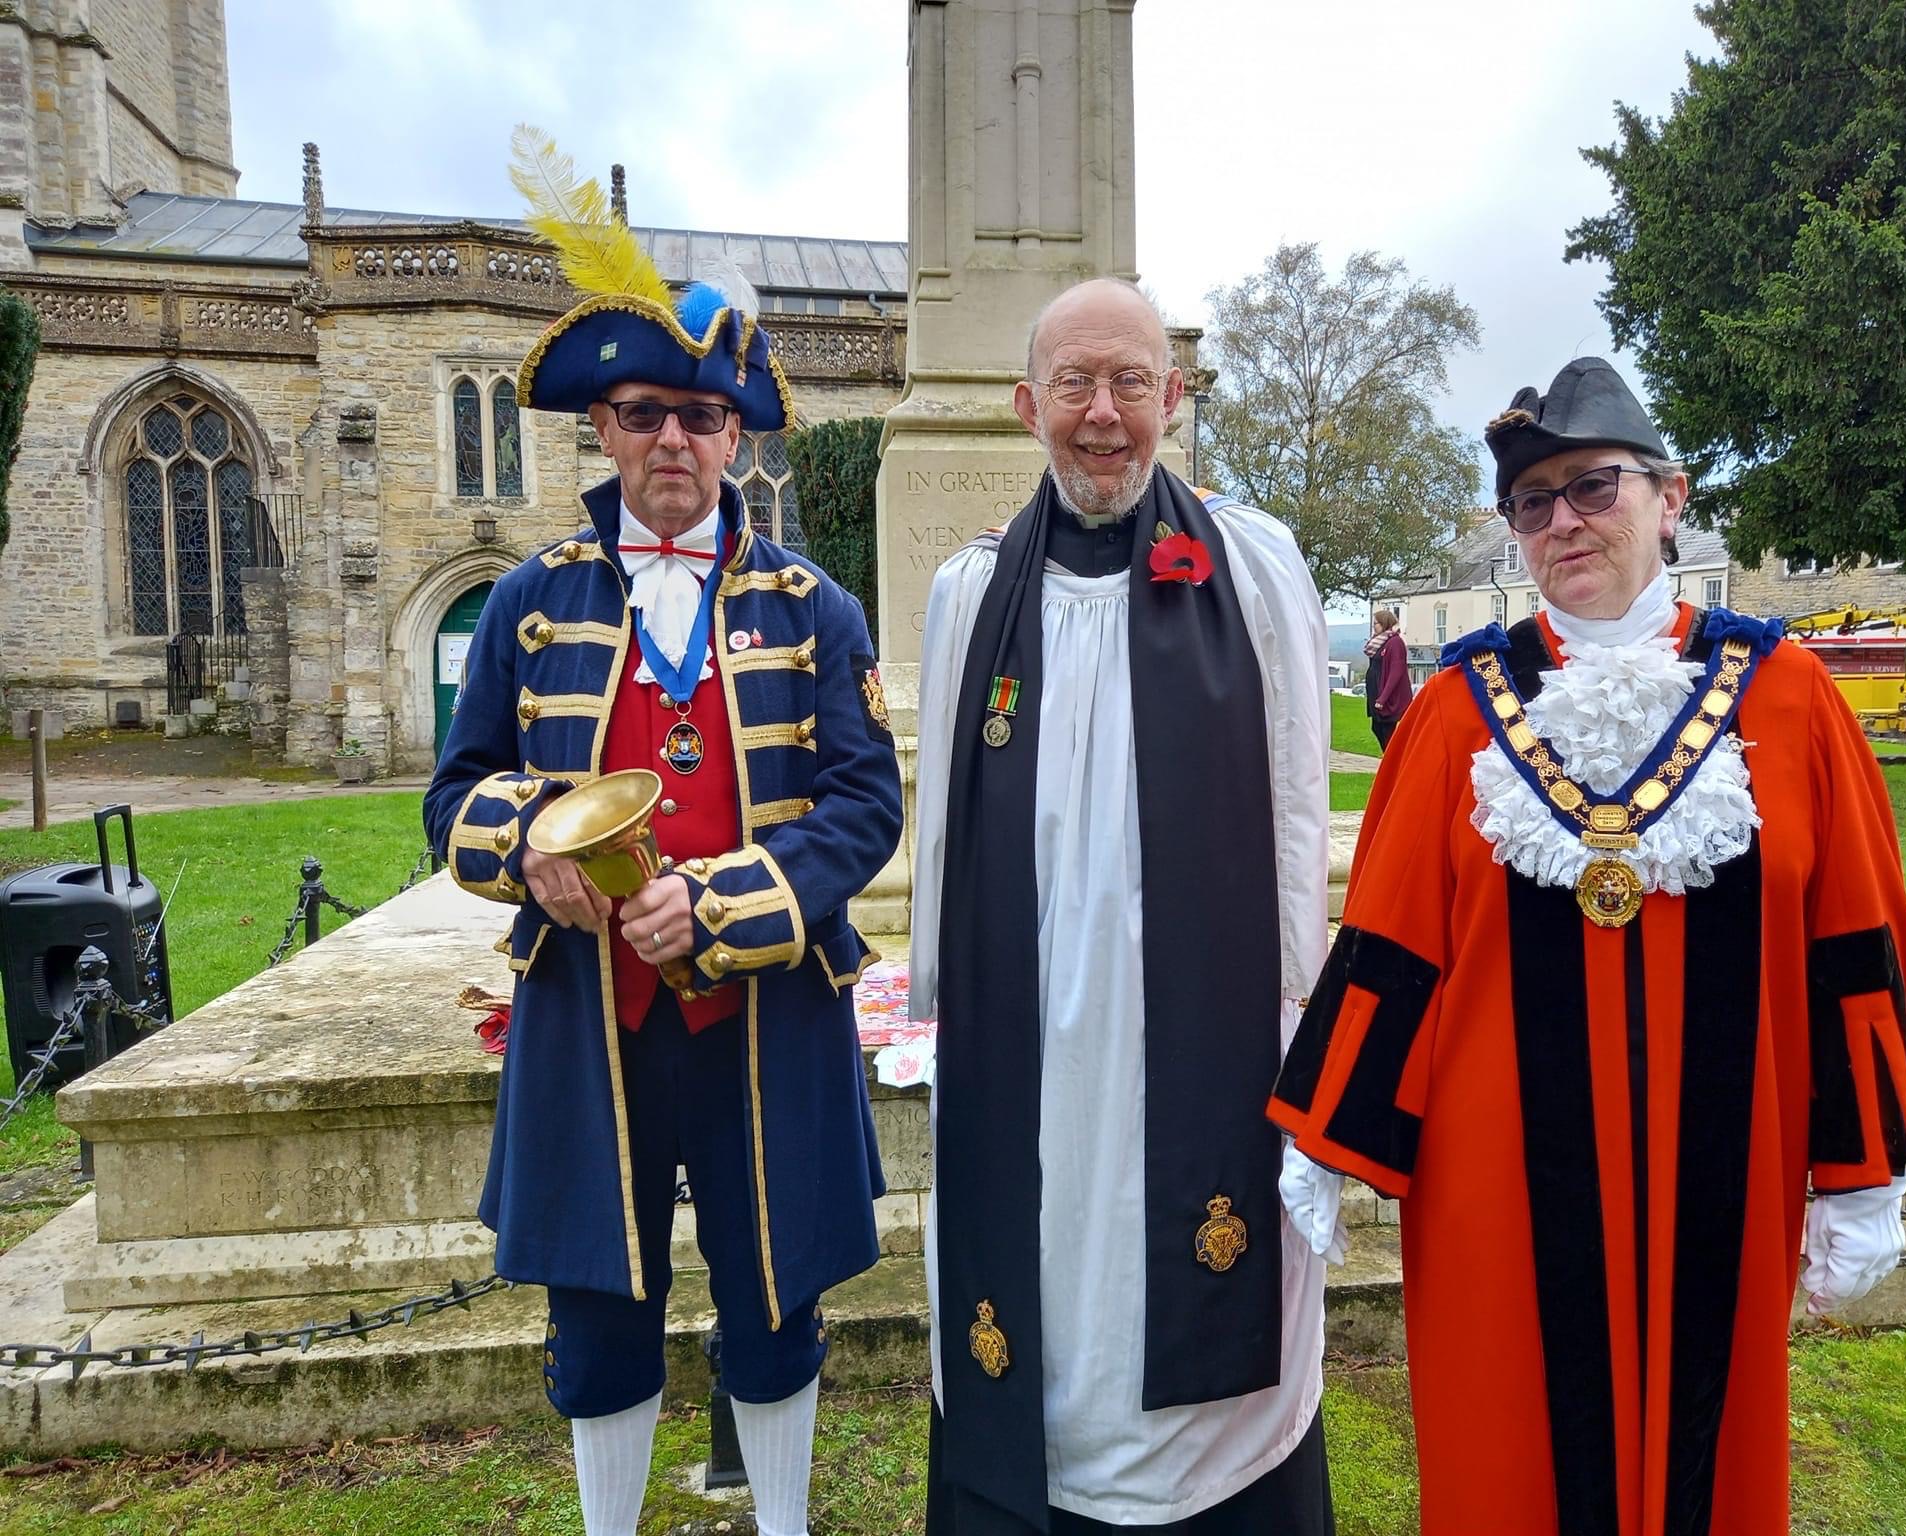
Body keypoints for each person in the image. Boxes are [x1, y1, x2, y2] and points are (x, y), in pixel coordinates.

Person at [1270, 357, 1906, 1536]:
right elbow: (1386, 942)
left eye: (1593, 488)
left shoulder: (1789, 698)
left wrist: (1863, 1168)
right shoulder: (1453, 711)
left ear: (1667, 498)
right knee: (1505, 1457)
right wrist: (1325, 1144)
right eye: (1533, 502)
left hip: (1729, 1179)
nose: (1563, 520)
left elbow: (1855, 942)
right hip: (1496, 1194)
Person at [424, 136, 902, 1536]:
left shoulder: (816, 606)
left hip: (767, 1022)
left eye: (699, 414)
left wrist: (735, 904)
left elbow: (867, 805)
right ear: (605, 430)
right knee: (598, 1318)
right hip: (587, 1009)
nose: (673, 440)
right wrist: (537, 851)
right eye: (644, 414)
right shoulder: (527, 600)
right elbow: (453, 797)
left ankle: (786, 1523)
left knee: (777, 1303)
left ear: (736, 433)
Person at [911, 277, 1342, 1534]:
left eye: (1132, 384)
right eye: (1073, 385)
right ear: (1023, 406)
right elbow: (943, 816)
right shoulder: (966, 594)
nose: (1103, 416)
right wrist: (942, 997)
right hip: (1029, 1030)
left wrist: (1291, 990)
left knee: (1191, 1259)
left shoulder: (1254, 572)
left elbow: (1296, 794)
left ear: (1175, 397)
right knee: (1044, 1260)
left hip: (1203, 1034)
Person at [1366, 608, 1410, 751]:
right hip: (1376, 695)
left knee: (1386, 731)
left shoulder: (1395, 643)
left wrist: (1382, 698)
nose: (1374, 627)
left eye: (1376, 624)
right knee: (1377, 727)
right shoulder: (1379, 643)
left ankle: (1393, 763)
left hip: (1387, 699)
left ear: (1384, 623)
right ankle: (1390, 761)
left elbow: (1396, 672)